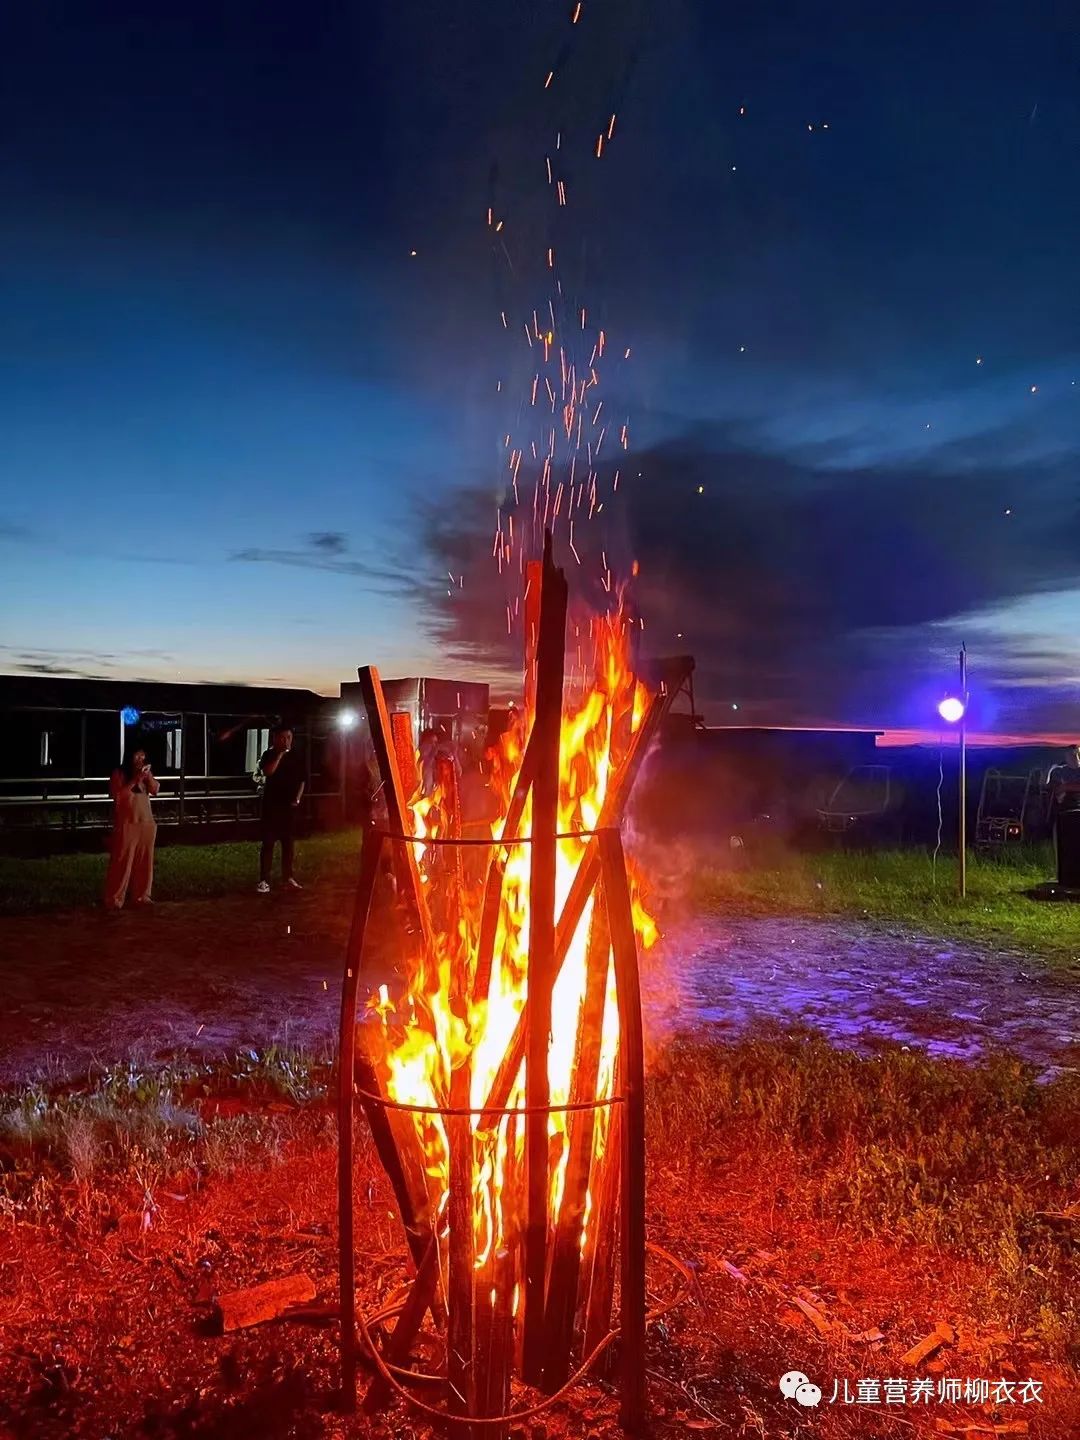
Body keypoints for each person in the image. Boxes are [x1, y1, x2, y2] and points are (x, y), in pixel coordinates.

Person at [103, 745, 159, 910]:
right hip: (128, 824)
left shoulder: (144, 775)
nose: (140, 760)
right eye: (137, 756)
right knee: (122, 863)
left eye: (143, 757)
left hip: (146, 823)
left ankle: (142, 896)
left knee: (145, 862)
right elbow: (119, 796)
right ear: (130, 757)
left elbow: (155, 789)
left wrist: (147, 776)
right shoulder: (119, 774)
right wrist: (135, 780)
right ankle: (114, 898)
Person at [257, 725, 305, 893]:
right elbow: (268, 772)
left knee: (288, 844)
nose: (286, 741)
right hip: (272, 806)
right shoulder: (268, 754)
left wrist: (297, 799)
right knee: (268, 843)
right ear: (275, 739)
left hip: (289, 807)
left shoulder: (297, 756)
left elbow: (302, 780)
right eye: (283, 738)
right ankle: (264, 880)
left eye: (289, 737)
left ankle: (288, 878)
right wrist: (280, 755)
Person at [1047, 743, 1080, 885]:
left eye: (1075, 754)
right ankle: (1064, 877)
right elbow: (1055, 789)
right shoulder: (1058, 771)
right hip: (1063, 814)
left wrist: (1067, 786)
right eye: (1069, 754)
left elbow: (1065, 787)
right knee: (1063, 847)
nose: (1073, 757)